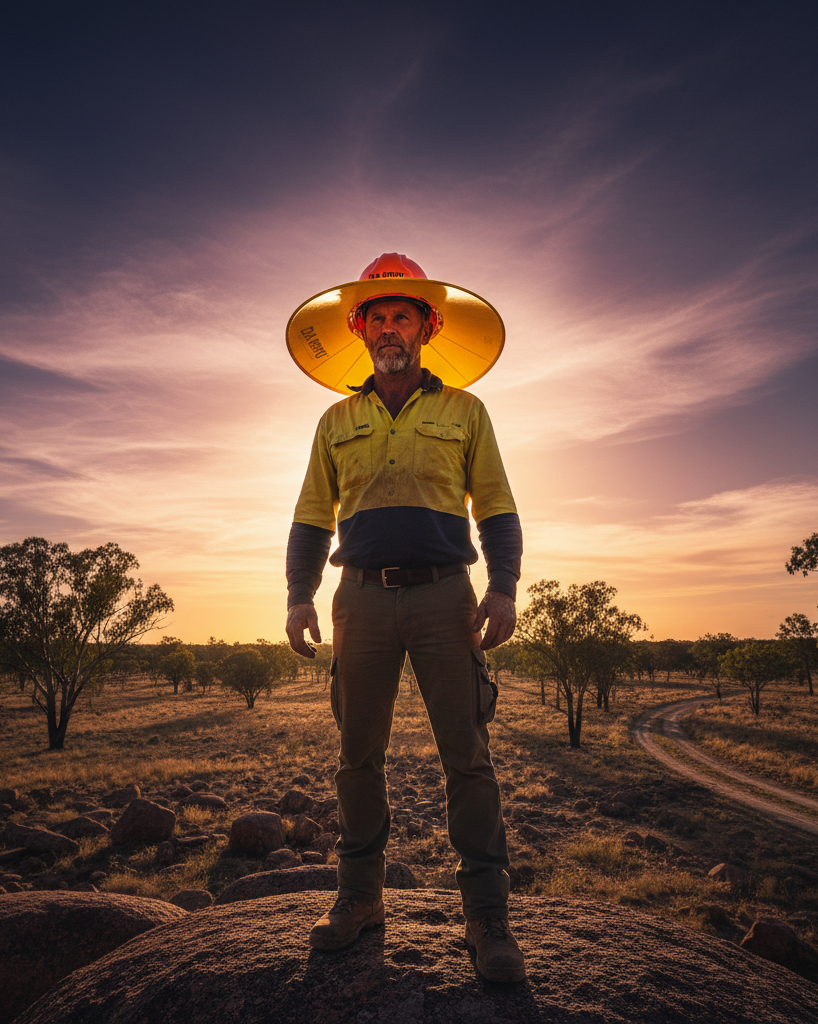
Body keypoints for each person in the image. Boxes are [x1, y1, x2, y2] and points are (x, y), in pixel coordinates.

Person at [284, 253, 525, 984]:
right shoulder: (336, 420)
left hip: (446, 597)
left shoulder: (466, 413)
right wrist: (299, 596)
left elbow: (500, 509)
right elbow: (308, 519)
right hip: (357, 598)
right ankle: (359, 898)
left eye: (404, 316)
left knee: (468, 756)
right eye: (378, 317)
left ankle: (486, 916)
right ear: (360, 331)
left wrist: (505, 588)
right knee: (358, 756)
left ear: (429, 326)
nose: (391, 328)